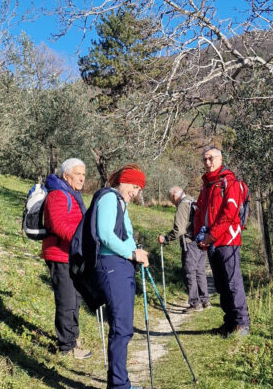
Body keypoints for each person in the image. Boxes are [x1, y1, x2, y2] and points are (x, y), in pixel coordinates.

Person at [94, 164, 149, 389]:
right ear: (124, 181)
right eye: (135, 187)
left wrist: (137, 254)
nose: (136, 193)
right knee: (121, 328)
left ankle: (118, 384)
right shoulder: (109, 198)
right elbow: (105, 234)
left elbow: (123, 236)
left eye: (139, 189)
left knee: (123, 327)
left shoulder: (120, 203)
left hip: (121, 266)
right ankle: (119, 386)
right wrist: (131, 253)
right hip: (112, 266)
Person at [194, 146, 250, 337]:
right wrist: (199, 236)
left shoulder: (230, 182)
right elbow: (200, 212)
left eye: (211, 158)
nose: (208, 163)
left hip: (228, 240)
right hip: (211, 242)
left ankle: (242, 325)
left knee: (233, 282)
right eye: (205, 159)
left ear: (220, 158)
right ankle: (229, 323)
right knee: (220, 283)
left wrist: (212, 236)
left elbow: (230, 213)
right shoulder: (206, 185)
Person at [41, 158, 92, 359]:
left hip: (71, 255)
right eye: (78, 174)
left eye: (84, 175)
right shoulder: (58, 195)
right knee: (67, 301)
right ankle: (66, 346)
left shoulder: (73, 194)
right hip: (59, 254)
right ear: (65, 175)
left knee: (75, 299)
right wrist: (83, 240)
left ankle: (73, 338)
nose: (82, 178)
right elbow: (58, 225)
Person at [158, 186, 210, 313]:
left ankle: (195, 304)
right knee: (200, 272)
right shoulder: (192, 201)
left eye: (171, 199)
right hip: (201, 240)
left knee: (189, 273)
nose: (171, 201)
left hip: (190, 243)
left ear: (175, 195)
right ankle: (205, 301)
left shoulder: (182, 205)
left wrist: (166, 239)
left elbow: (179, 230)